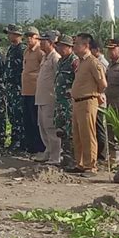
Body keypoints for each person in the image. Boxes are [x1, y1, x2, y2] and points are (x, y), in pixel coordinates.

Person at [68, 33, 107, 177]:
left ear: (86, 46)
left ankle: (91, 166)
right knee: (77, 134)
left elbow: (103, 84)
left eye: (77, 44)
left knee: (88, 134)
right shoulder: (81, 62)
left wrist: (97, 94)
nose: (74, 47)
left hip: (88, 101)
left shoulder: (93, 62)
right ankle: (81, 163)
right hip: (77, 102)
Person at [34, 30, 62, 164]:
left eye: (43, 41)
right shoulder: (45, 57)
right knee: (42, 126)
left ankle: (55, 156)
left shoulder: (55, 58)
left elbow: (58, 77)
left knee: (50, 127)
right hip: (41, 97)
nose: (40, 43)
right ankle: (48, 150)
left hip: (50, 98)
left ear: (50, 43)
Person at [54, 35, 79, 167]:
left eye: (63, 46)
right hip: (60, 101)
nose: (60, 48)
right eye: (59, 45)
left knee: (70, 131)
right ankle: (65, 157)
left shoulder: (74, 61)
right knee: (61, 130)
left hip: (69, 103)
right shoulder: (61, 61)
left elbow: (78, 79)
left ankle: (72, 159)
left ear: (70, 47)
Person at [22, 26, 45, 155]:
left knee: (36, 120)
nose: (29, 39)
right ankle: (30, 146)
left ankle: (39, 147)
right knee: (28, 120)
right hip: (26, 90)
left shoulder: (40, 52)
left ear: (37, 37)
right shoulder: (26, 51)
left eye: (32, 36)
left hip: (36, 91)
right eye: (28, 36)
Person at [3, 24, 26, 153]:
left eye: (10, 33)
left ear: (17, 35)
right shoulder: (11, 49)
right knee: (12, 114)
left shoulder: (22, 49)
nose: (8, 36)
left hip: (19, 87)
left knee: (18, 115)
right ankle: (15, 140)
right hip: (10, 87)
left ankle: (19, 142)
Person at [105, 39, 119, 163]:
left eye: (113, 49)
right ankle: (112, 154)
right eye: (109, 49)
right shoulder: (110, 64)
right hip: (109, 100)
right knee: (109, 127)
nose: (110, 52)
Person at [90, 39, 108, 161]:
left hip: (99, 100)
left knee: (100, 127)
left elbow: (102, 84)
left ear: (96, 50)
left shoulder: (101, 63)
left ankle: (102, 154)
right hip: (96, 100)